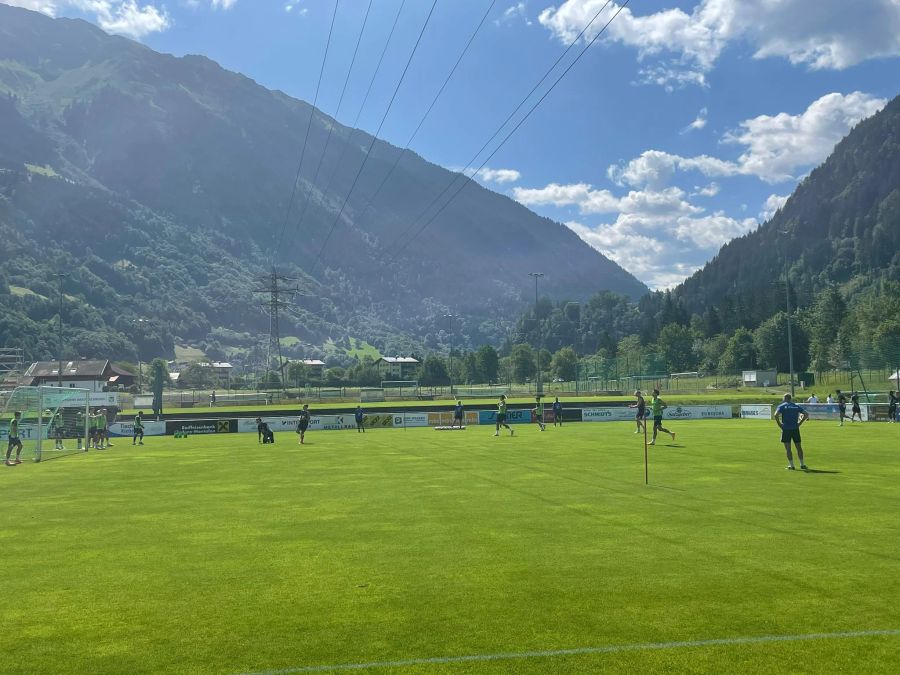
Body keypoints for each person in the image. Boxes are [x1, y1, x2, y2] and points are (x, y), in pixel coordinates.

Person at [774, 393, 809, 470]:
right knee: (799, 447)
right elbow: (806, 414)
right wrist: (799, 423)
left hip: (786, 429)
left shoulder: (782, 406)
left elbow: (776, 415)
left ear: (785, 398)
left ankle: (791, 465)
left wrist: (779, 424)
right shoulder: (796, 406)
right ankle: (802, 464)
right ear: (790, 398)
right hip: (795, 429)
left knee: (788, 448)